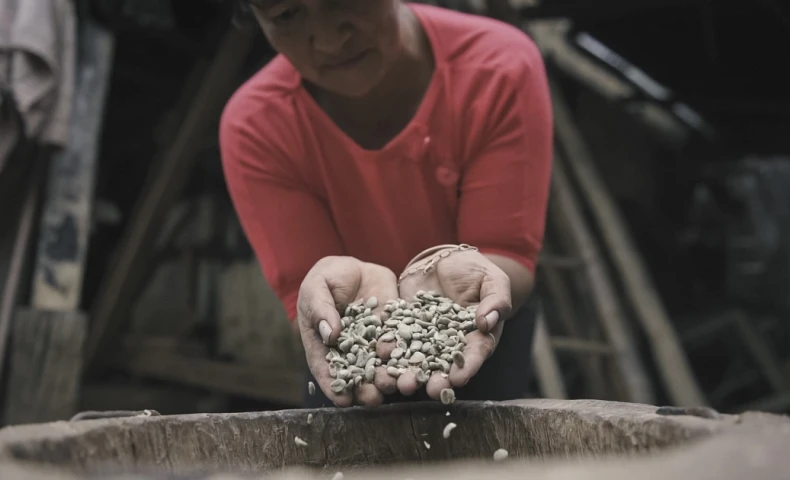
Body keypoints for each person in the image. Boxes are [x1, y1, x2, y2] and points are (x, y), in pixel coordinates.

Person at [219, 0, 553, 408]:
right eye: (286, 15)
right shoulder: (256, 124)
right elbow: (302, 293)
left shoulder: (500, 66)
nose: (329, 39)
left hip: (480, 330)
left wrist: (466, 287)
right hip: (348, 342)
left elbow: (507, 253)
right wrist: (334, 302)